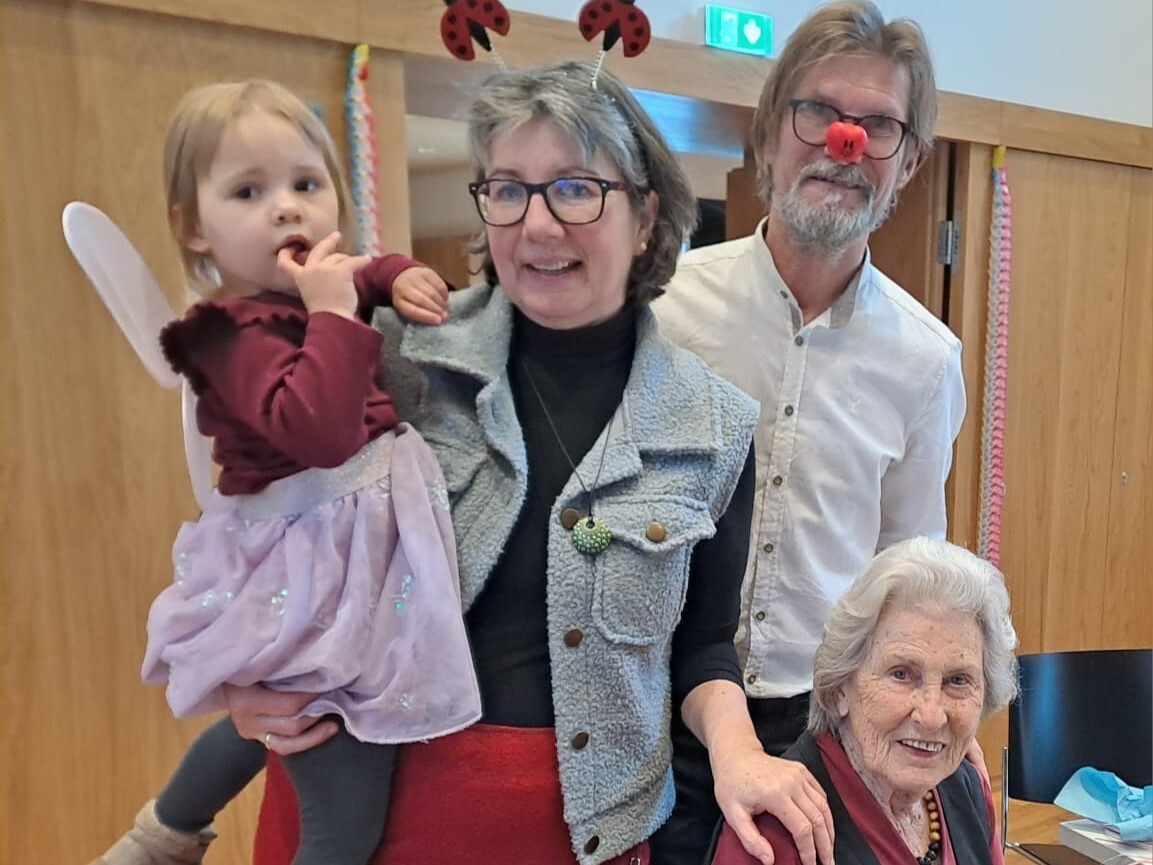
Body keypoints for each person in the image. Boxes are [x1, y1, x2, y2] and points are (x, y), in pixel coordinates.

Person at [226, 61, 836, 865]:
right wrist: (242, 673)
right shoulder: (394, 357)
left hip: (586, 832)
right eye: (508, 189)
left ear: (646, 214)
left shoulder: (713, 425)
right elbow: (262, 515)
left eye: (576, 189)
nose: (537, 225)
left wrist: (739, 752)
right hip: (361, 817)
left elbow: (703, 650)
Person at [90, 79, 480, 865]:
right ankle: (161, 836)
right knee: (334, 785)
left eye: (306, 184)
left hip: (349, 552)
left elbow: (364, 272)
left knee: (273, 722)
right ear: (192, 227)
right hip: (312, 575)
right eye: (248, 191)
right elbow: (319, 430)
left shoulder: (310, 288)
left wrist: (394, 273)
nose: (286, 209)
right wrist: (334, 313)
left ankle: (161, 836)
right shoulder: (220, 337)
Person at [651, 3, 968, 860]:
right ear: (767, 134)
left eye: (877, 125)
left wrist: (939, 716)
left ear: (906, 162)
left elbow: (910, 565)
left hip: (821, 729)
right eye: (818, 111)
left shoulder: (926, 360)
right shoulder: (662, 311)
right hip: (653, 712)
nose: (843, 142)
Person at [711, 536, 1017, 864]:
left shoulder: (966, 787)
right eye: (901, 674)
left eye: (957, 681)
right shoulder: (775, 830)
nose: (931, 716)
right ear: (840, 687)